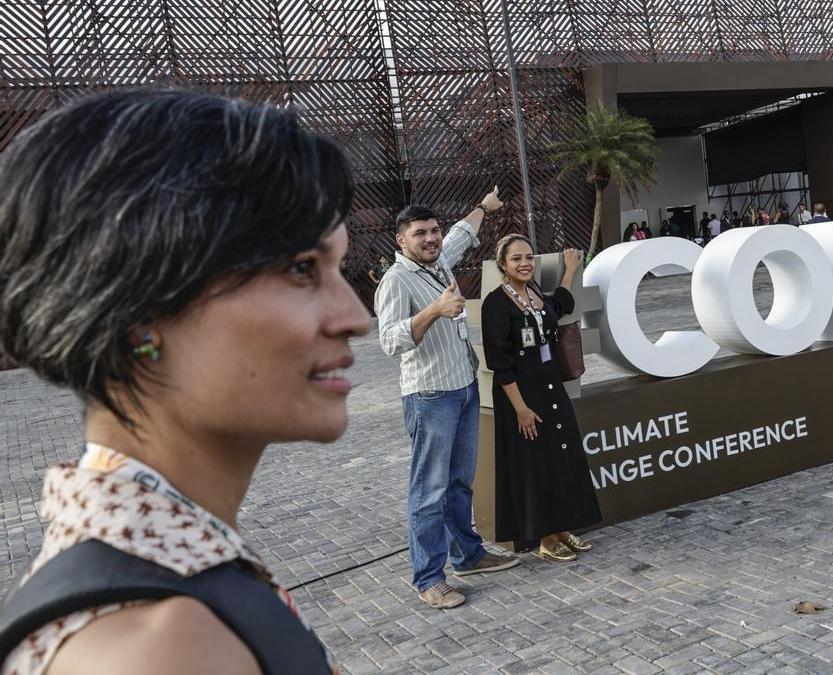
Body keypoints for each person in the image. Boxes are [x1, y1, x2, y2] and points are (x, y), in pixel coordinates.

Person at [0, 90, 372, 673]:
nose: (356, 317)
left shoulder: (161, 568)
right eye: (302, 269)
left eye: (339, 269)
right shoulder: (159, 648)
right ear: (139, 313)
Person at [375, 190, 520, 610]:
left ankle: (468, 555)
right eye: (420, 233)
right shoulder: (396, 280)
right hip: (430, 396)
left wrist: (484, 207)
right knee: (429, 491)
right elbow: (389, 341)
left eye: (433, 230)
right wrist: (434, 311)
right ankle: (428, 578)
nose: (431, 238)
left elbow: (461, 234)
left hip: (464, 388)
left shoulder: (439, 261)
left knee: (459, 482)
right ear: (401, 240)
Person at [481, 237, 602, 561]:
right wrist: (521, 409)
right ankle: (546, 538)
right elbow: (500, 363)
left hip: (551, 387)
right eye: (516, 258)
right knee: (536, 465)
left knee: (560, 457)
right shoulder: (496, 303)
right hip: (522, 394)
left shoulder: (534, 293)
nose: (524, 263)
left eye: (528, 257)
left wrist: (569, 271)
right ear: (503, 264)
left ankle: (562, 528)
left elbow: (559, 306)